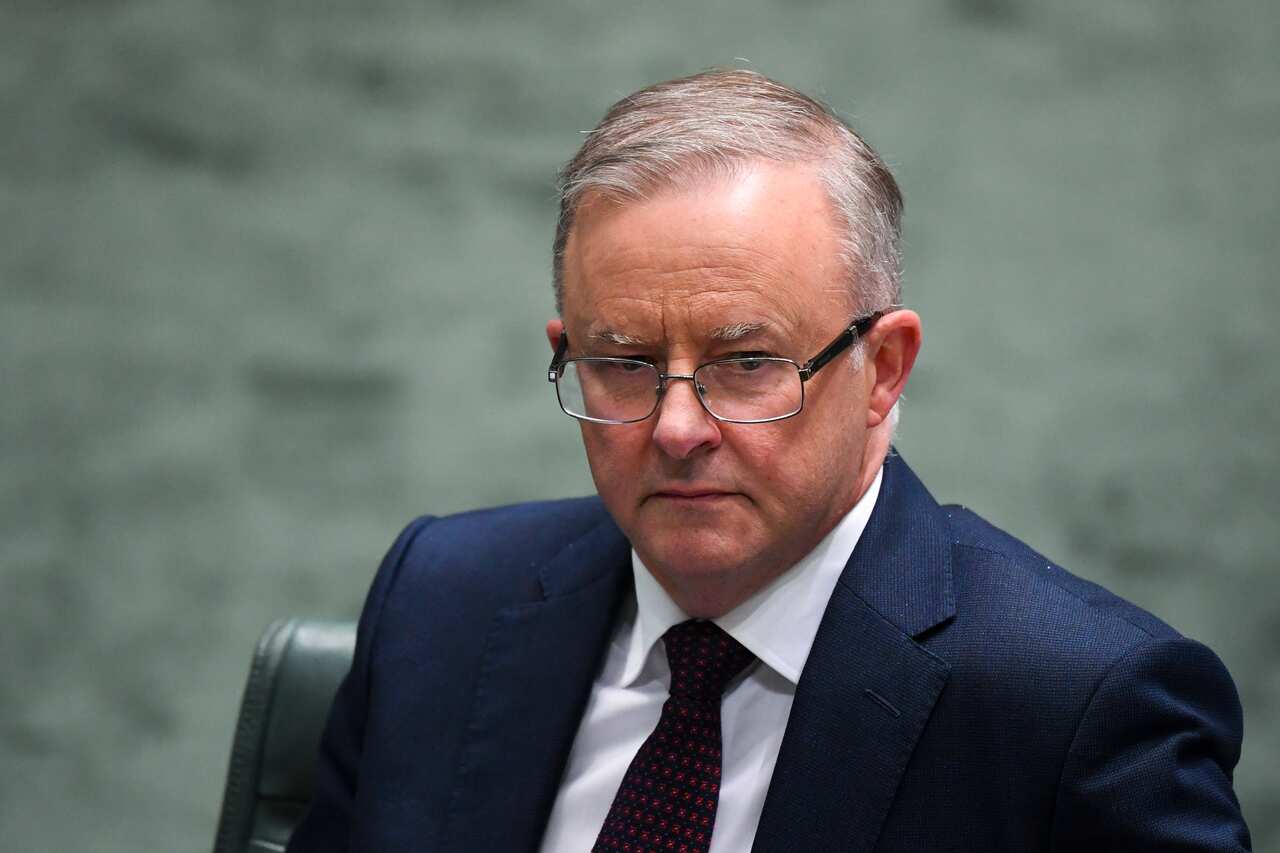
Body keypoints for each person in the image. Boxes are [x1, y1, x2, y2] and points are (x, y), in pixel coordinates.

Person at [286, 70, 1251, 852]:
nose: (675, 428)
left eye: (747, 364)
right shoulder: (440, 602)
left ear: (883, 369)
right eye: (620, 363)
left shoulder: (1076, 704)